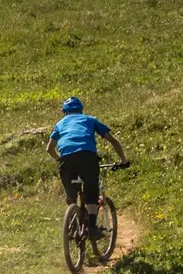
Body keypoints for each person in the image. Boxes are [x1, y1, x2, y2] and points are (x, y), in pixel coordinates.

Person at [47, 97, 128, 235]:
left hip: (66, 160)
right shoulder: (90, 120)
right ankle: (91, 227)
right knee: (91, 188)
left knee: (71, 193)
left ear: (64, 112)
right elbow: (112, 140)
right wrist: (123, 160)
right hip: (87, 156)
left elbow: (50, 148)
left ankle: (73, 222)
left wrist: (59, 160)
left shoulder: (60, 124)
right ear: (81, 110)